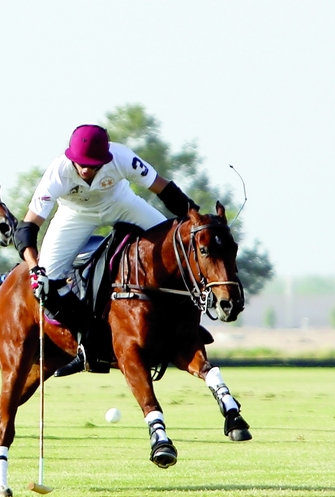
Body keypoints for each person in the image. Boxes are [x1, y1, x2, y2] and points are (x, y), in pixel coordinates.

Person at [13, 124, 199, 377]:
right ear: (71, 157)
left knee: (176, 248)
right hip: (74, 215)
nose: (88, 169)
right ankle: (88, 338)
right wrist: (35, 268)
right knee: (50, 281)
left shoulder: (122, 157)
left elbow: (164, 189)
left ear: (106, 158)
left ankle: (186, 325)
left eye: (95, 165)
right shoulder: (58, 172)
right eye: (83, 164)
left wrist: (197, 217)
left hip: (121, 204)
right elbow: (27, 228)